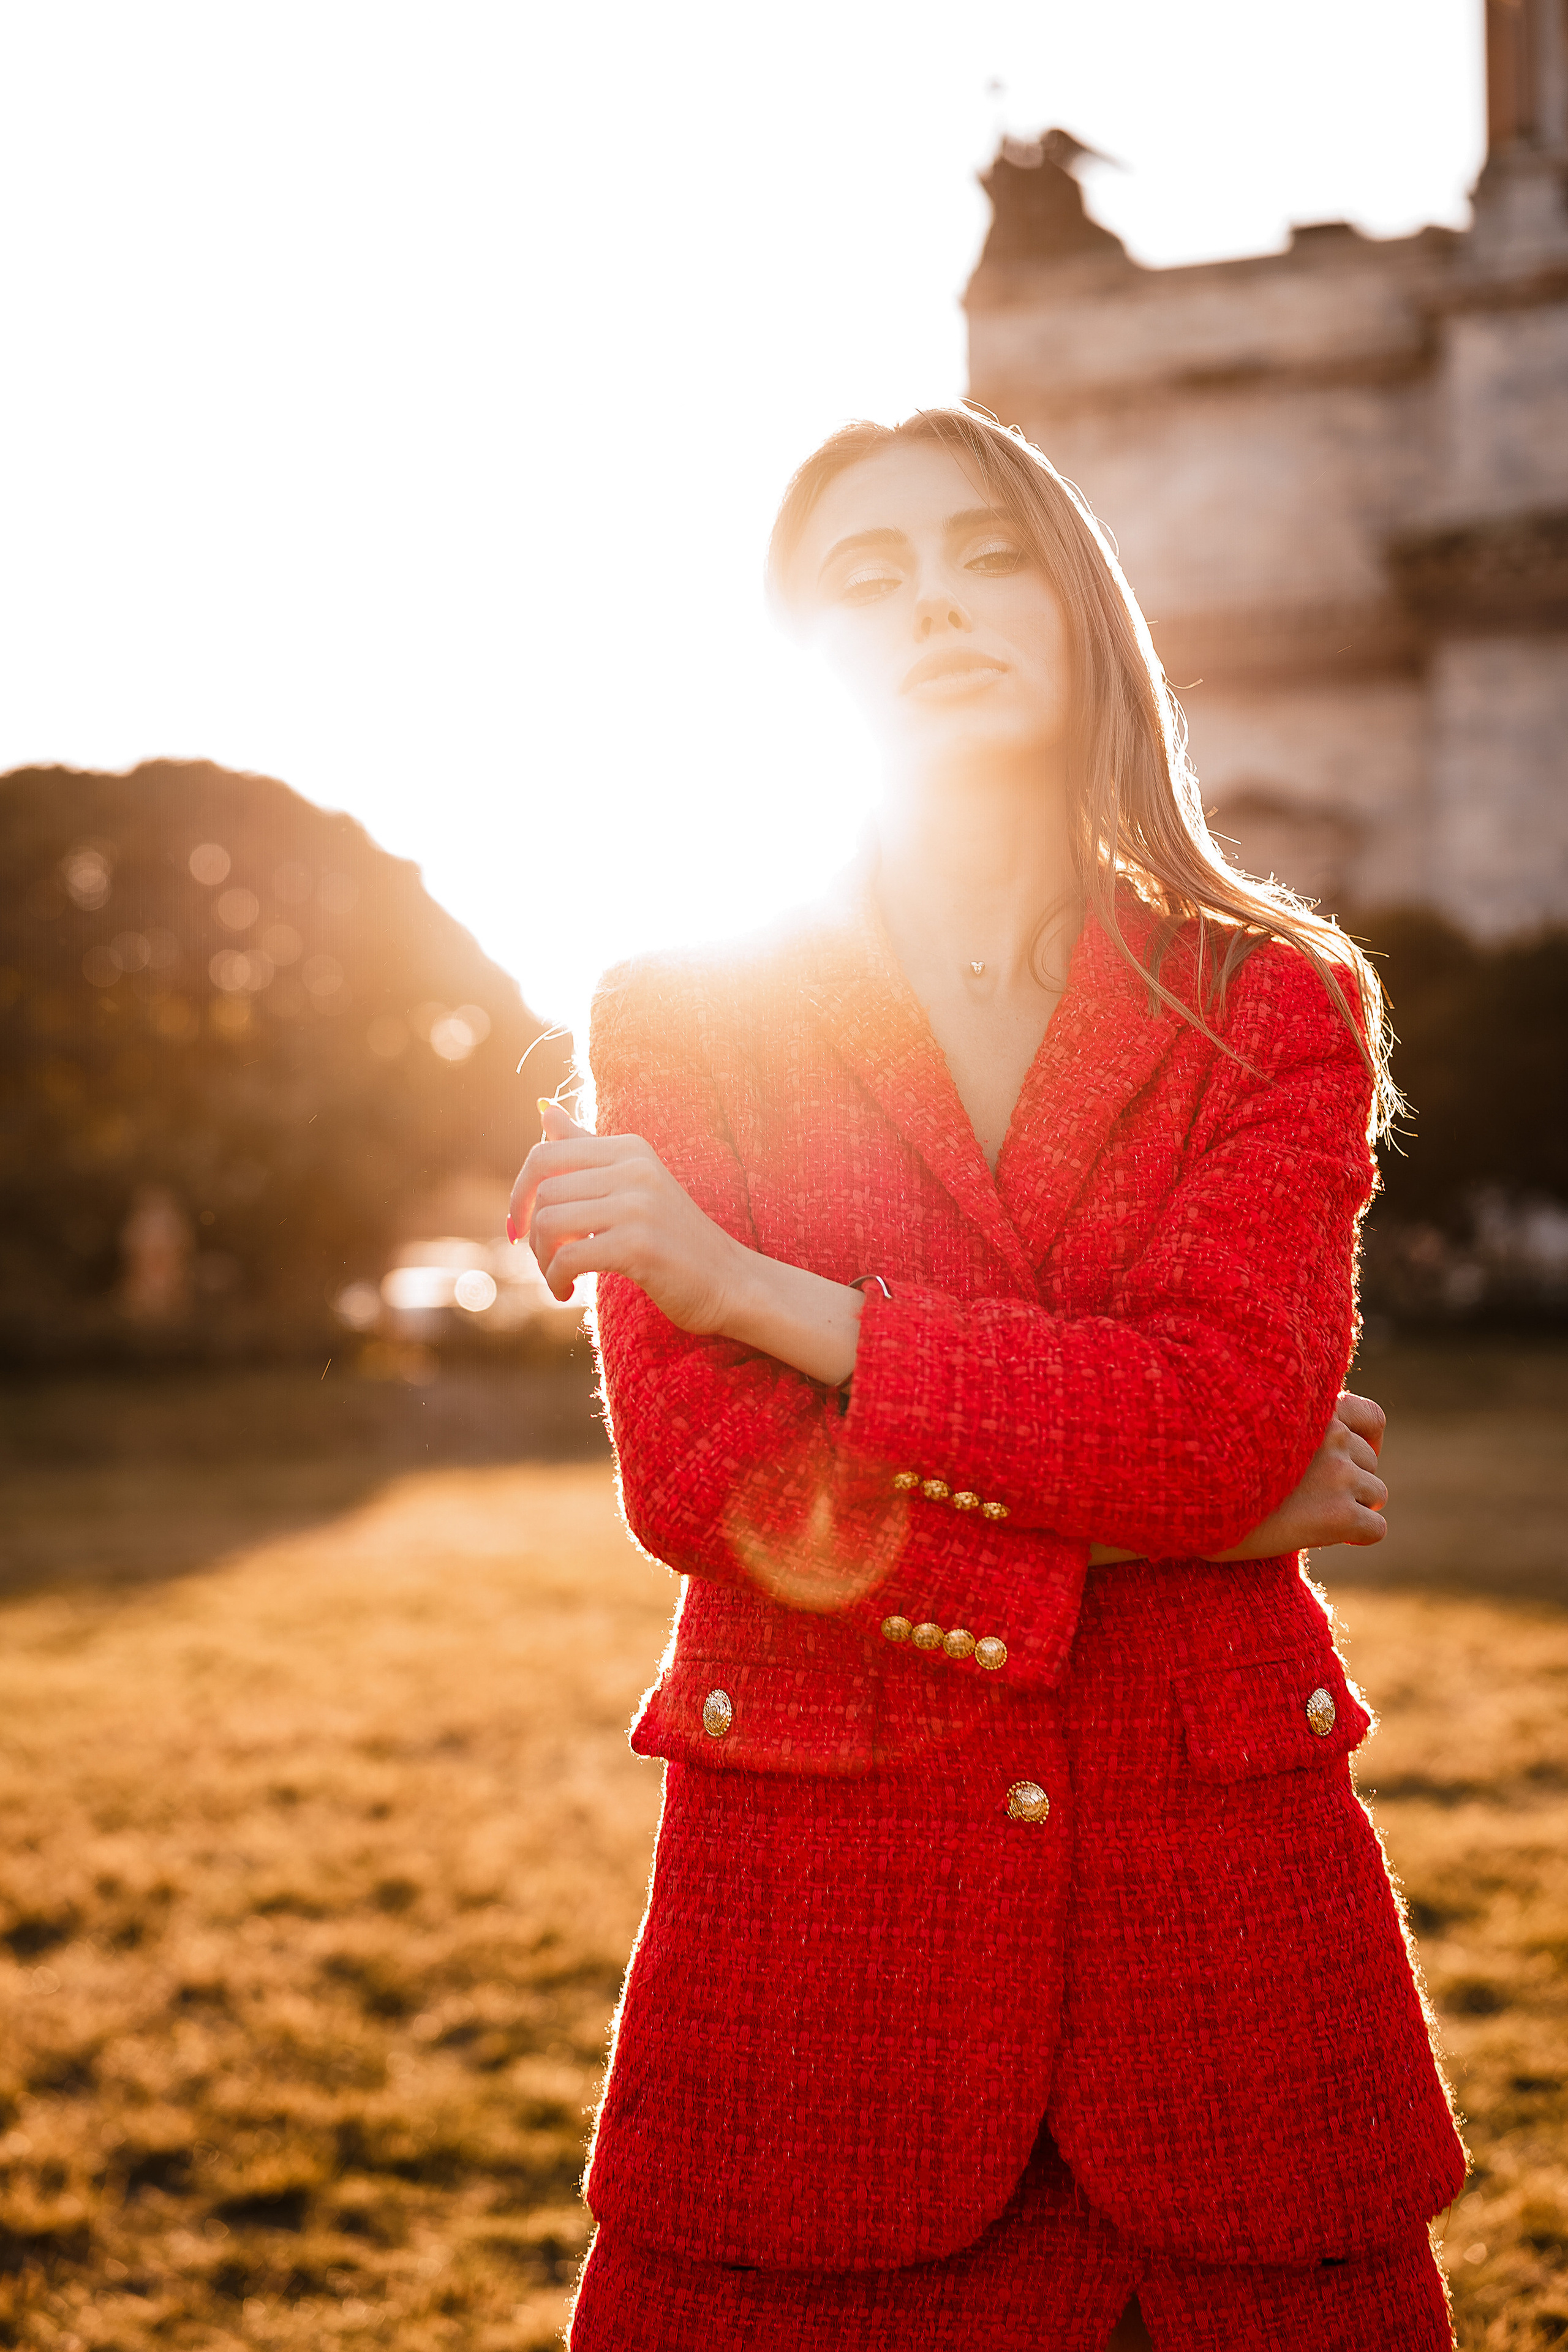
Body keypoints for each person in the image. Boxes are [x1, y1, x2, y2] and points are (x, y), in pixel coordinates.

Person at [509, 407, 1466, 2351]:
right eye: (867, 576)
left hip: (1227, 1995)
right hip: (813, 1991)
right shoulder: (681, 1017)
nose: (934, 602)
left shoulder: (1273, 999)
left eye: (987, 552)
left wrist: (765, 1291)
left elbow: (1223, 1420)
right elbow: (706, 1485)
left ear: (1083, 608)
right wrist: (1159, 1537)